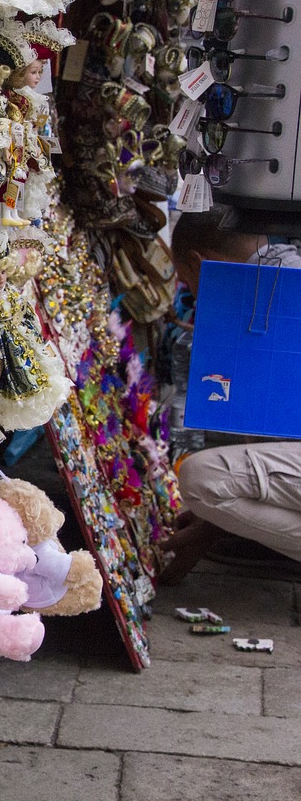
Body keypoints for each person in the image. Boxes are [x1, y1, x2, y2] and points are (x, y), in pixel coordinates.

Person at [158, 208, 301, 583]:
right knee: (217, 483)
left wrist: (218, 518)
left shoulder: (271, 294)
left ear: (197, 263)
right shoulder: (282, 279)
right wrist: (217, 523)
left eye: (188, 284)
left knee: (202, 477)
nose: (192, 296)